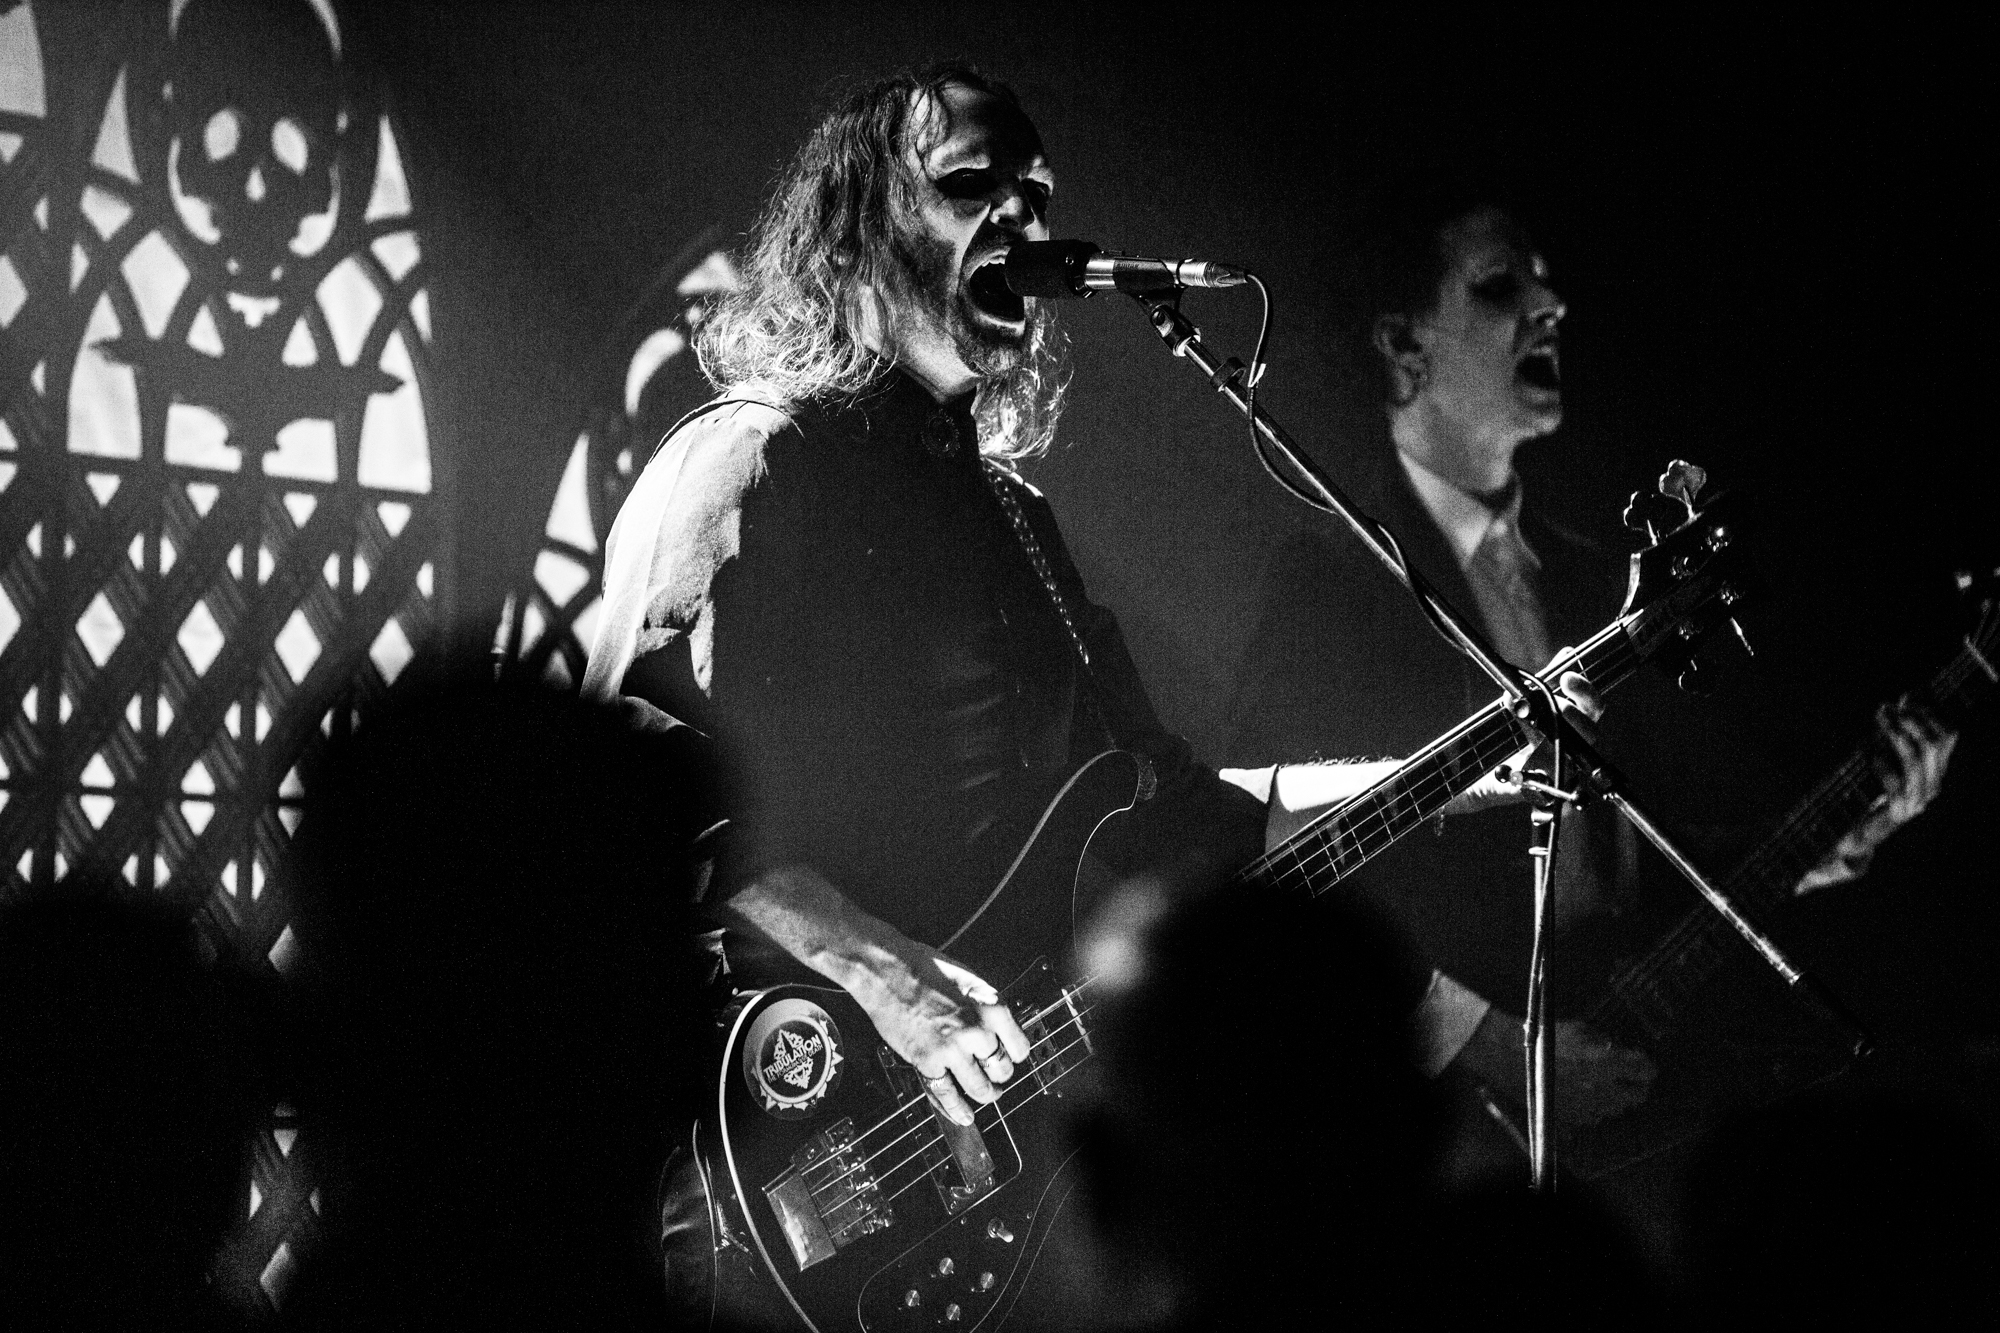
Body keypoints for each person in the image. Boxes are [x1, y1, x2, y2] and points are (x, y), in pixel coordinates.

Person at [583, 68, 1555, 1324]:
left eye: (1035, 194)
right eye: (968, 185)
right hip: (772, 1126)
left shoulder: (1016, 518)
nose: (1021, 220)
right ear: (859, 226)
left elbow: (1174, 812)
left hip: (978, 1172)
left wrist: (1465, 769)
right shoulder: (756, 457)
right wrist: (885, 974)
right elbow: (633, 797)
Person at [1220, 191, 1958, 1141]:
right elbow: (1264, 873)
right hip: (1431, 1127)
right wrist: (1488, 1042)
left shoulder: (1591, 582)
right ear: (1404, 346)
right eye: (1500, 286)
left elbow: (1633, 872)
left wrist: (1841, 830)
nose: (1551, 305)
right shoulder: (1332, 580)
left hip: (1628, 1097)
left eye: (1546, 282)